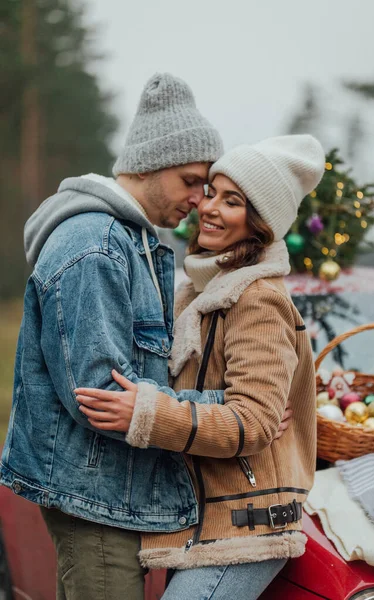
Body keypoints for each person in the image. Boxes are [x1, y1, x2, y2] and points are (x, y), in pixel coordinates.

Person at [0, 73, 227, 600]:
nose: (200, 198)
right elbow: (102, 396)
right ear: (149, 164)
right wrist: (227, 408)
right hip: (94, 498)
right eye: (191, 180)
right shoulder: (96, 246)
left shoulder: (133, 243)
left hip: (114, 494)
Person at [76, 134, 326, 600]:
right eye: (211, 192)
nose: (208, 207)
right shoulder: (196, 294)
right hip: (204, 520)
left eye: (232, 201)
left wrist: (148, 415)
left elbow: (252, 422)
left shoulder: (257, 299)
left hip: (244, 529)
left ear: (261, 224)